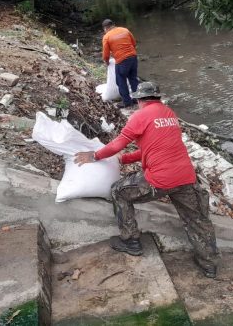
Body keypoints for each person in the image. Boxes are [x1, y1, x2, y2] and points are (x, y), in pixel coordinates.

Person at [75, 81, 219, 277]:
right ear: (157, 97)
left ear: (139, 100)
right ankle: (209, 264)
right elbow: (154, 148)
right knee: (197, 220)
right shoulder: (169, 114)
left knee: (119, 191)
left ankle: (131, 241)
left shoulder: (140, 116)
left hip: (159, 179)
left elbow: (118, 143)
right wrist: (125, 159)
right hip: (186, 176)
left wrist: (95, 156)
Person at [102, 19, 139, 108]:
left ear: (105, 28)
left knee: (121, 80)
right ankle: (137, 99)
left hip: (122, 60)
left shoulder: (107, 37)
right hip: (133, 57)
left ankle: (126, 102)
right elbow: (133, 43)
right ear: (113, 25)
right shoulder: (125, 30)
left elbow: (106, 54)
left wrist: (107, 62)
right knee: (133, 79)